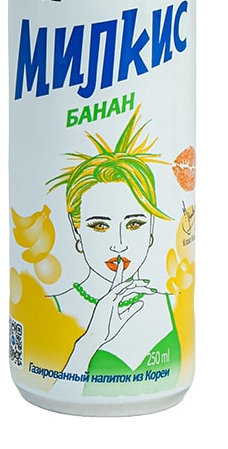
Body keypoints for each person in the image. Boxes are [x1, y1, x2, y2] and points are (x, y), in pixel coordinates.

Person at [47, 106, 181, 396]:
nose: (118, 244)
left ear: (152, 226)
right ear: (76, 229)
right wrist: (90, 341)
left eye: (133, 224)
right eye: (99, 226)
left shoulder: (174, 304)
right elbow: (47, 389)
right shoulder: (49, 310)